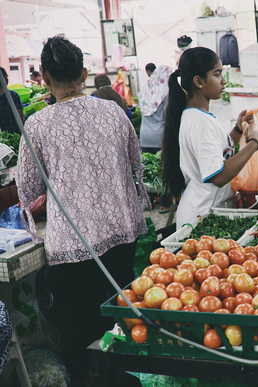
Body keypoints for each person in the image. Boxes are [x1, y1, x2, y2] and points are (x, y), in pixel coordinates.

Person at [16, 34, 148, 360]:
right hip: (123, 229)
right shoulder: (114, 111)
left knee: (87, 325)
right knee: (125, 311)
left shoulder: (37, 124)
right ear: (85, 74)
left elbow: (28, 191)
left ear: (45, 79)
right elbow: (135, 163)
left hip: (75, 245)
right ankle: (129, 371)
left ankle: (97, 373)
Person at [162, 47, 258, 229]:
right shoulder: (200, 122)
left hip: (207, 211)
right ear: (198, 81)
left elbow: (218, 153)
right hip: (201, 217)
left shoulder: (199, 116)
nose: (223, 81)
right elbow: (219, 176)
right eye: (217, 75)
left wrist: (238, 130)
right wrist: (254, 144)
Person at [139, 65, 172, 213]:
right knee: (161, 170)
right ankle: (164, 204)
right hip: (160, 136)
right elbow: (167, 116)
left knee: (147, 170)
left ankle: (148, 202)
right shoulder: (165, 93)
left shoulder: (145, 89)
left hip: (145, 135)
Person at [0, 67, 23, 134]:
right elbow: (19, 121)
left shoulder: (13, 96)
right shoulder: (13, 96)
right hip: (14, 135)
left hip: (3, 138)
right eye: (6, 76)